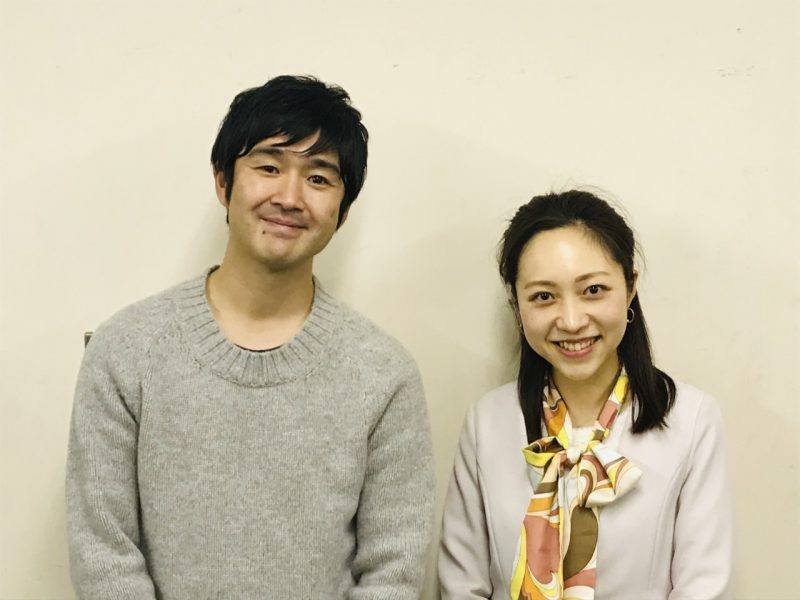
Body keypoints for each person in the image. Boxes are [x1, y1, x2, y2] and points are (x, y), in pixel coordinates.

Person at [66, 75, 434, 599]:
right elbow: (103, 552)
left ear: (343, 211)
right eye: (268, 167)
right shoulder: (125, 349)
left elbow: (393, 569)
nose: (289, 197)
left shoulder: (384, 373)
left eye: (319, 178)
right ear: (223, 182)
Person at [439, 190, 732, 599]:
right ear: (517, 305)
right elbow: (461, 586)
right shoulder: (486, 423)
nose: (572, 320)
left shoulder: (691, 419)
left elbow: (703, 585)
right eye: (543, 296)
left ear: (630, 287)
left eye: (593, 290)